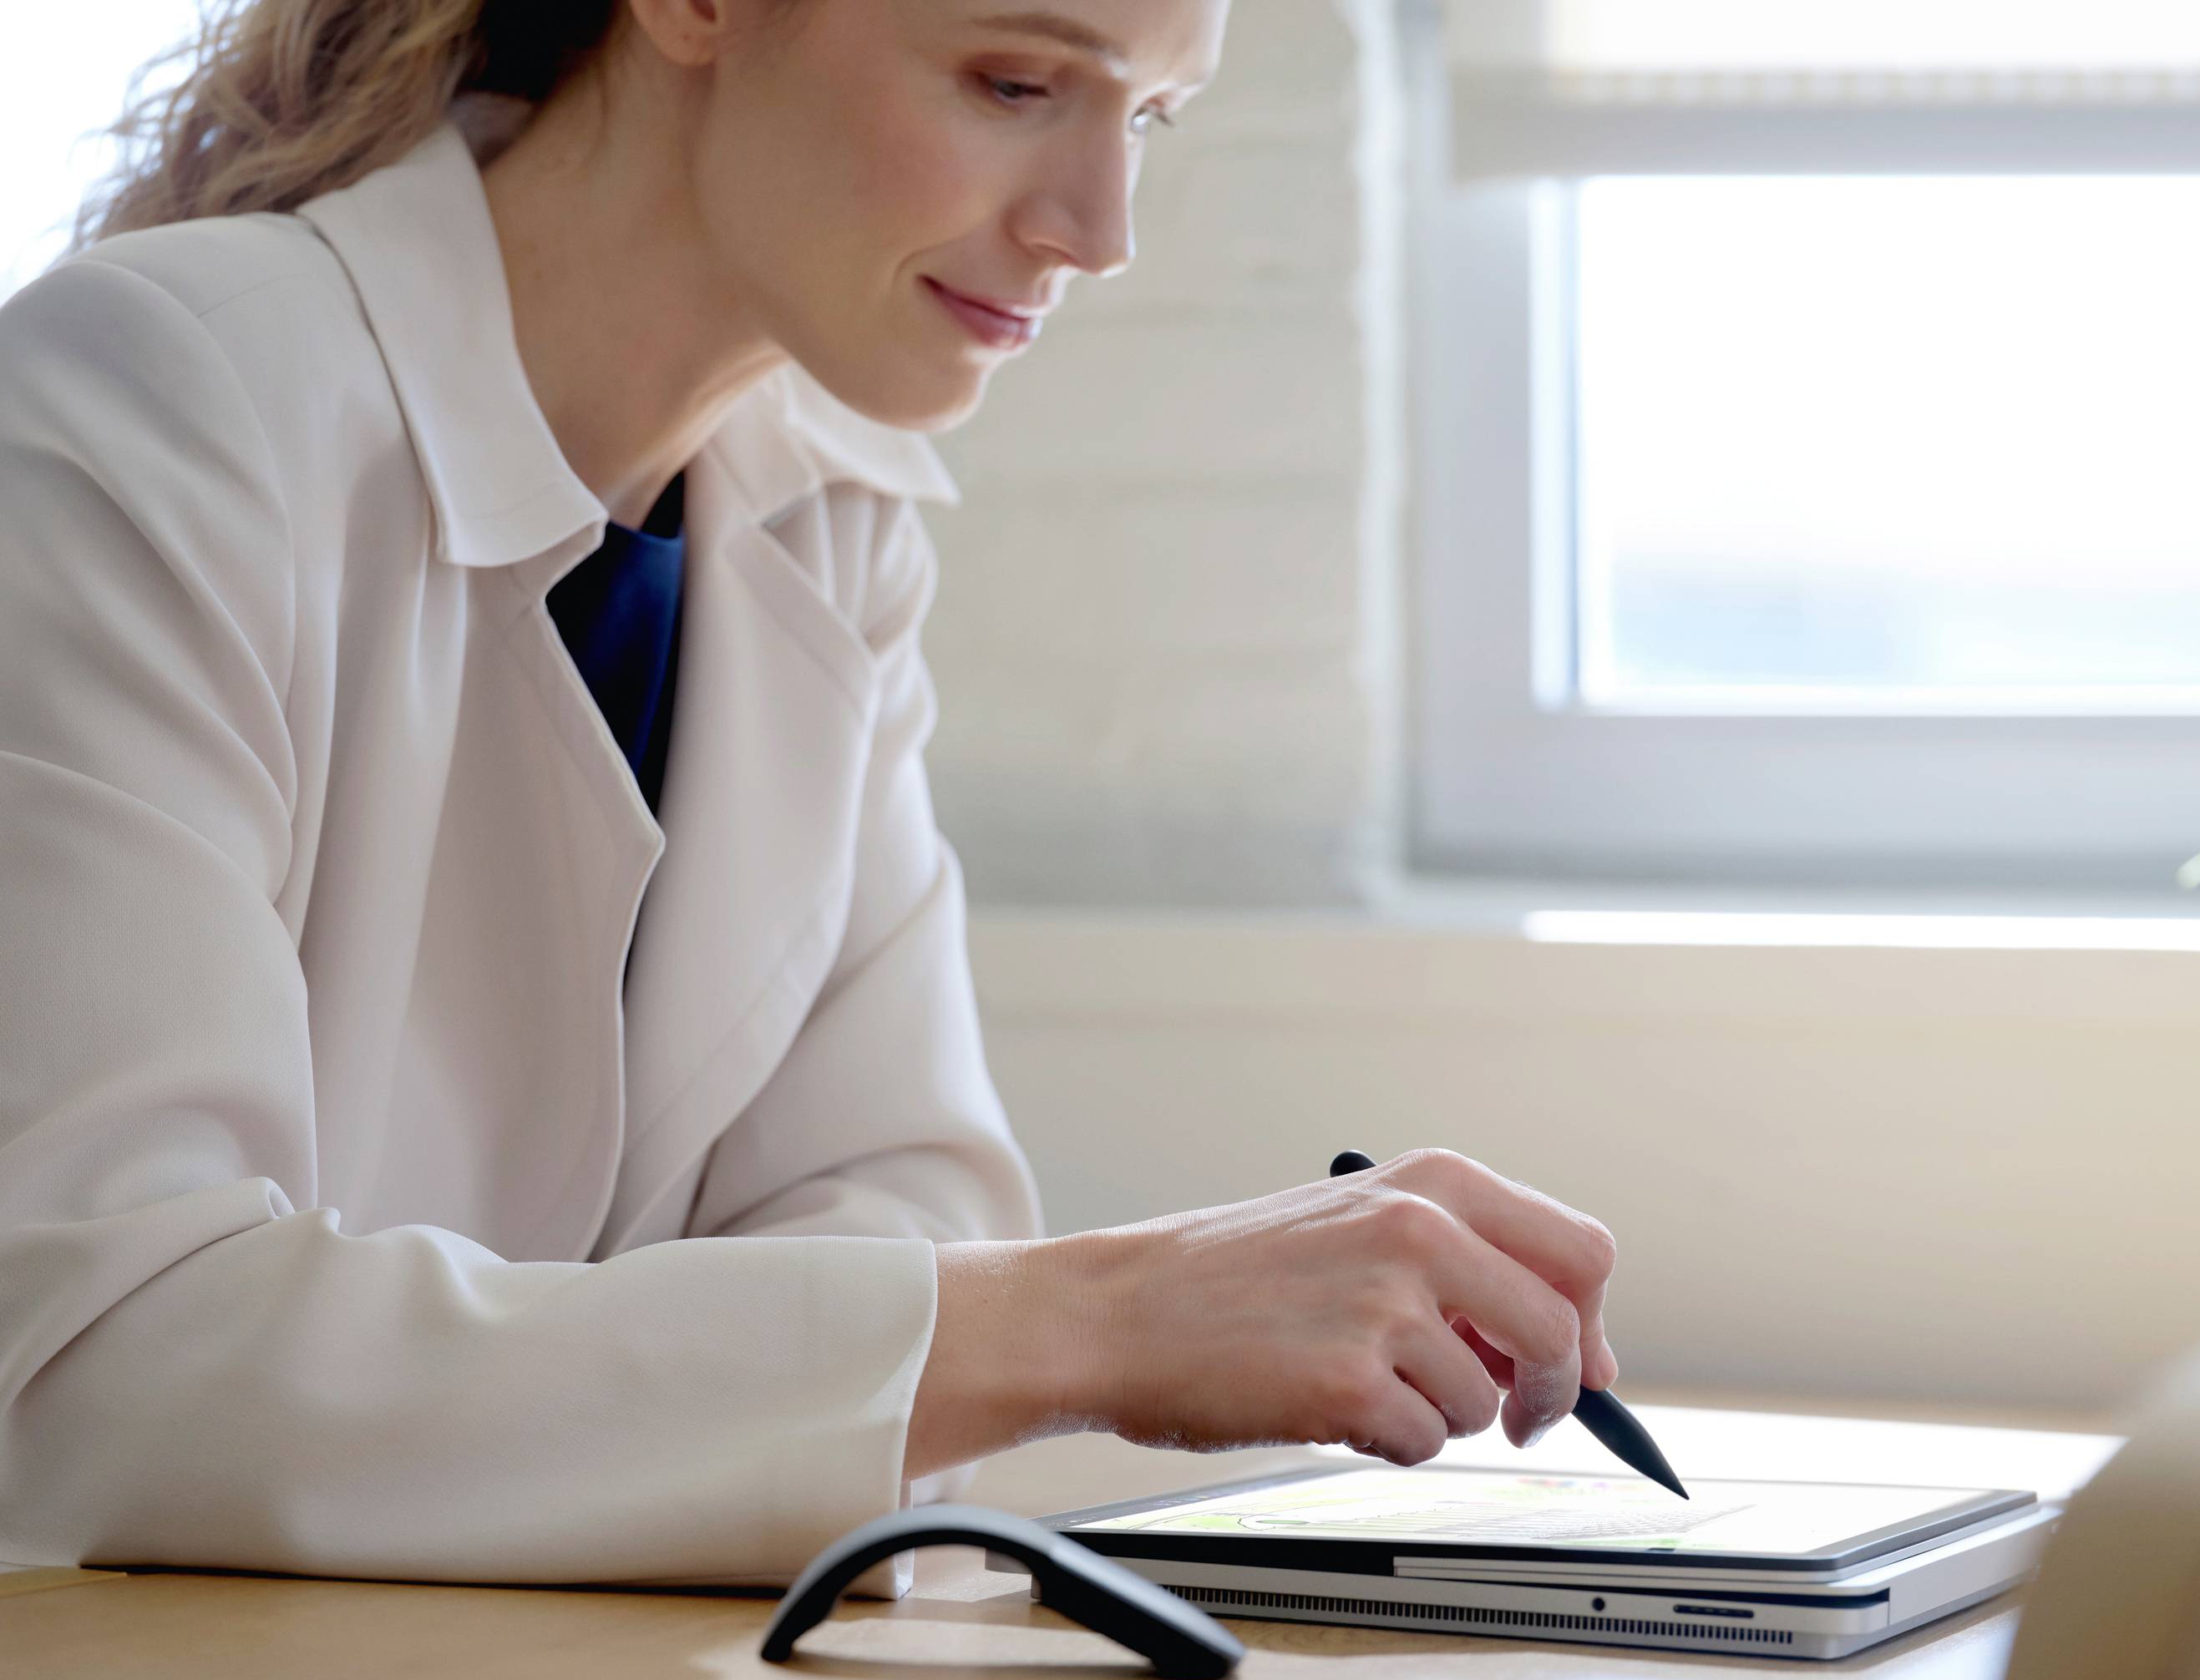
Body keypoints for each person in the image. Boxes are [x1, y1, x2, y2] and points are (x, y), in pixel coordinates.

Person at [0, 0, 1620, 1586]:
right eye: (1013, 81)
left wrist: (895, 1345)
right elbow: (115, 1364)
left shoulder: (831, 521)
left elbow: (897, 1202)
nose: (1102, 230)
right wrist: (1112, 1317)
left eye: (1146, 117)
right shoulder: (151, 403)